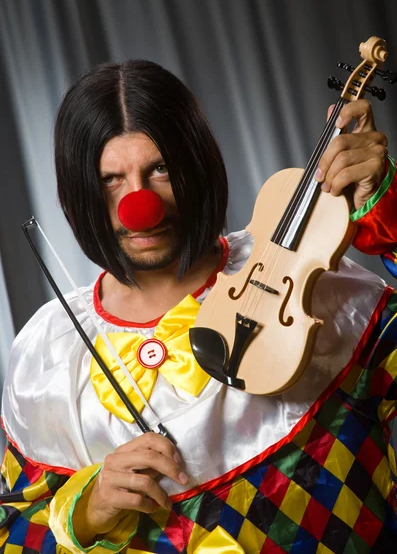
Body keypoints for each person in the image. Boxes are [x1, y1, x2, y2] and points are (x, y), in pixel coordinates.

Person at [1, 60, 397, 553]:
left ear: (196, 166)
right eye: (110, 179)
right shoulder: (47, 353)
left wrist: (389, 220)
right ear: (80, 192)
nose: (138, 204)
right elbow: (15, 533)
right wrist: (89, 509)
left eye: (160, 169)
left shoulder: (300, 283)